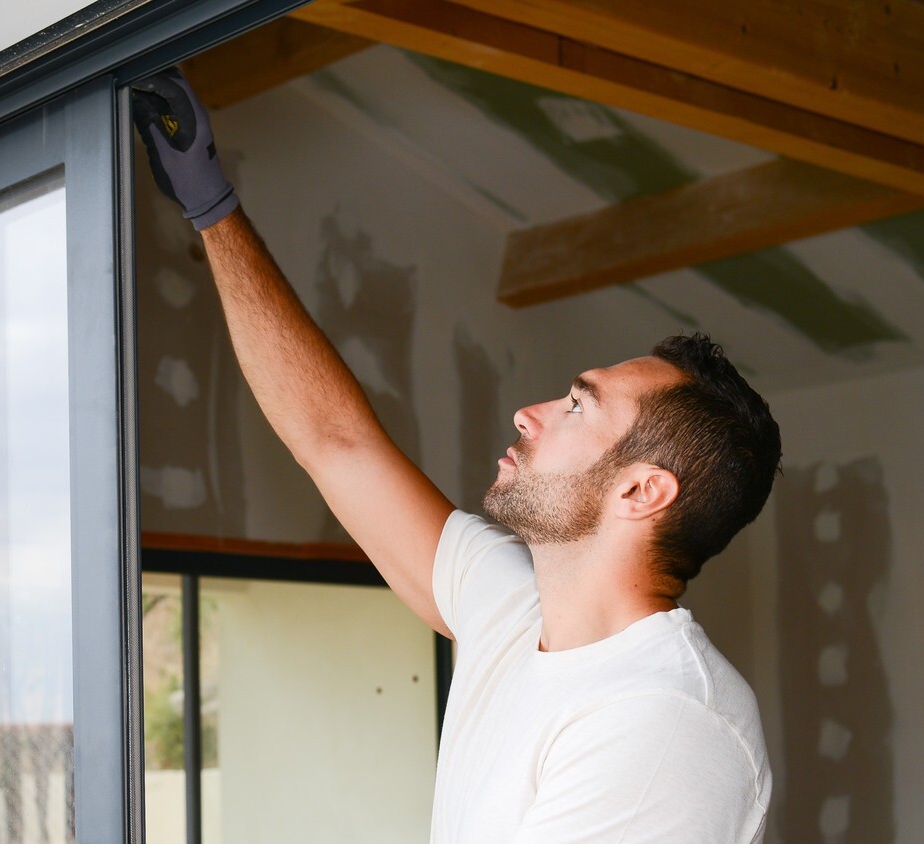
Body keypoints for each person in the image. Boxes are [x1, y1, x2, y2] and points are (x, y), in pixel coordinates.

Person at [132, 68, 781, 843]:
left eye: (578, 405)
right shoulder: (511, 611)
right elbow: (335, 443)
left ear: (642, 492)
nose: (529, 412)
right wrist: (212, 206)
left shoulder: (667, 722)